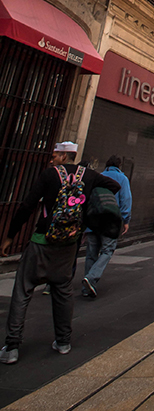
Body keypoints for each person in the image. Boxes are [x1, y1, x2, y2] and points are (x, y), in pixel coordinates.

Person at [0, 141, 120, 364]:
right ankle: (63, 342)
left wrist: (10, 236)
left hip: (41, 241)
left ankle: (12, 347)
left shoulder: (49, 175)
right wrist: (87, 212)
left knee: (22, 290)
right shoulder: (90, 176)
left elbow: (27, 205)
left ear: (65, 157)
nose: (51, 159)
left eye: (55, 155)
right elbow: (114, 186)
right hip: (69, 244)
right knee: (63, 292)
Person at [82, 155, 132, 299]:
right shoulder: (122, 179)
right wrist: (126, 219)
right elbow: (126, 200)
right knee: (108, 250)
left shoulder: (97, 176)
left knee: (91, 253)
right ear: (120, 165)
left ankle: (87, 288)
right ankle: (91, 278)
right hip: (110, 221)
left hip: (93, 220)